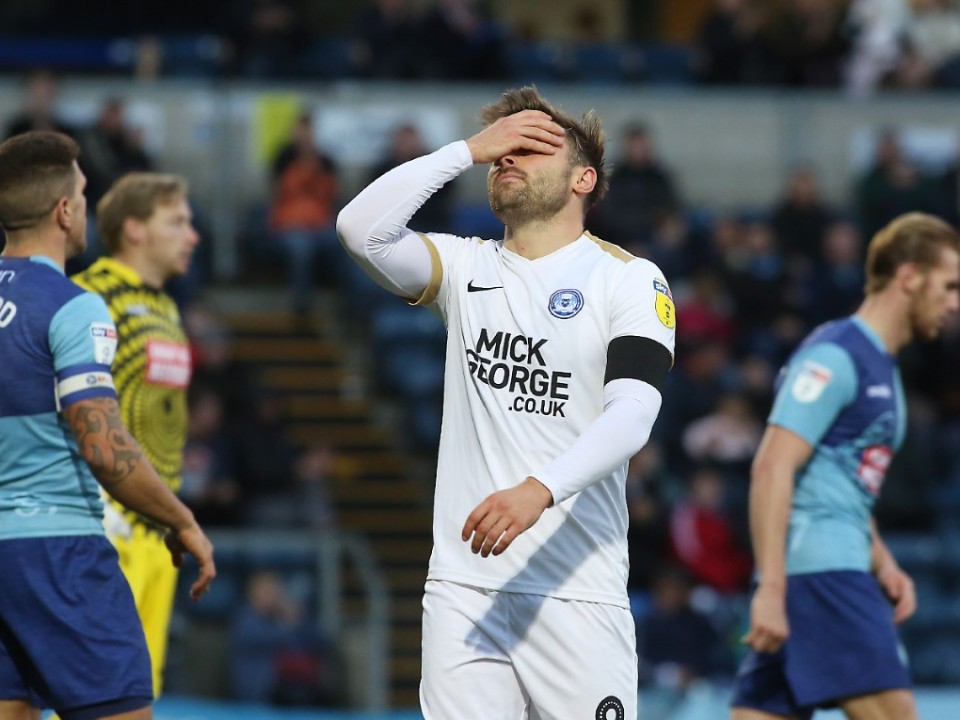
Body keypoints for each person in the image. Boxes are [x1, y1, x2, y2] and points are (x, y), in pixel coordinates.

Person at [338, 86, 676, 720]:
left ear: (583, 179)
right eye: (502, 151)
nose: (508, 159)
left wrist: (540, 489)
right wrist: (465, 150)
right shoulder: (465, 266)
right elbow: (360, 230)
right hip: (464, 589)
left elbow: (632, 416)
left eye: (532, 148)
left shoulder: (629, 278)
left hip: (576, 591)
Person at [0, 131, 214, 719]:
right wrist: (180, 518)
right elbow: (102, 444)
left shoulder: (156, 306)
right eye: (82, 194)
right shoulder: (74, 302)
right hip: (62, 545)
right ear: (64, 211)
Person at [731, 212, 960, 720]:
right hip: (823, 577)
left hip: (820, 570)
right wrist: (771, 588)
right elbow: (771, 467)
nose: (954, 303)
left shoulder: (880, 364)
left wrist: (883, 562)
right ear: (910, 277)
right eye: (949, 286)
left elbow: (841, 484)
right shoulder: (836, 356)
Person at [71, 172, 202, 698]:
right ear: (134, 229)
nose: (192, 236)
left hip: (157, 532)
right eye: (177, 222)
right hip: (107, 523)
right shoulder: (90, 295)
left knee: (137, 692)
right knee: (85, 689)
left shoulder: (167, 307)